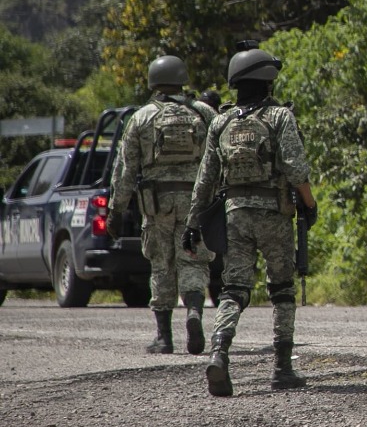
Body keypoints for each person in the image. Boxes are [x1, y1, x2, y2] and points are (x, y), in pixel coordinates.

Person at [184, 48, 318, 396]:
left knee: (233, 288)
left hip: (235, 215)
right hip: (274, 214)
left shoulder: (221, 122)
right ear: (266, 78)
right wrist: (309, 202)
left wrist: (193, 223)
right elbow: (297, 169)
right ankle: (283, 368)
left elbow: (205, 180)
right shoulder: (278, 116)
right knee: (282, 289)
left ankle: (219, 352)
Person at [108, 55, 216, 355]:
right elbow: (218, 159)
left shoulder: (141, 118)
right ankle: (194, 312)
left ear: (153, 81)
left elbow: (125, 171)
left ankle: (164, 337)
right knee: (193, 259)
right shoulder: (204, 113)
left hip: (157, 204)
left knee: (161, 264)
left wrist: (115, 211)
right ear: (182, 78)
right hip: (196, 201)